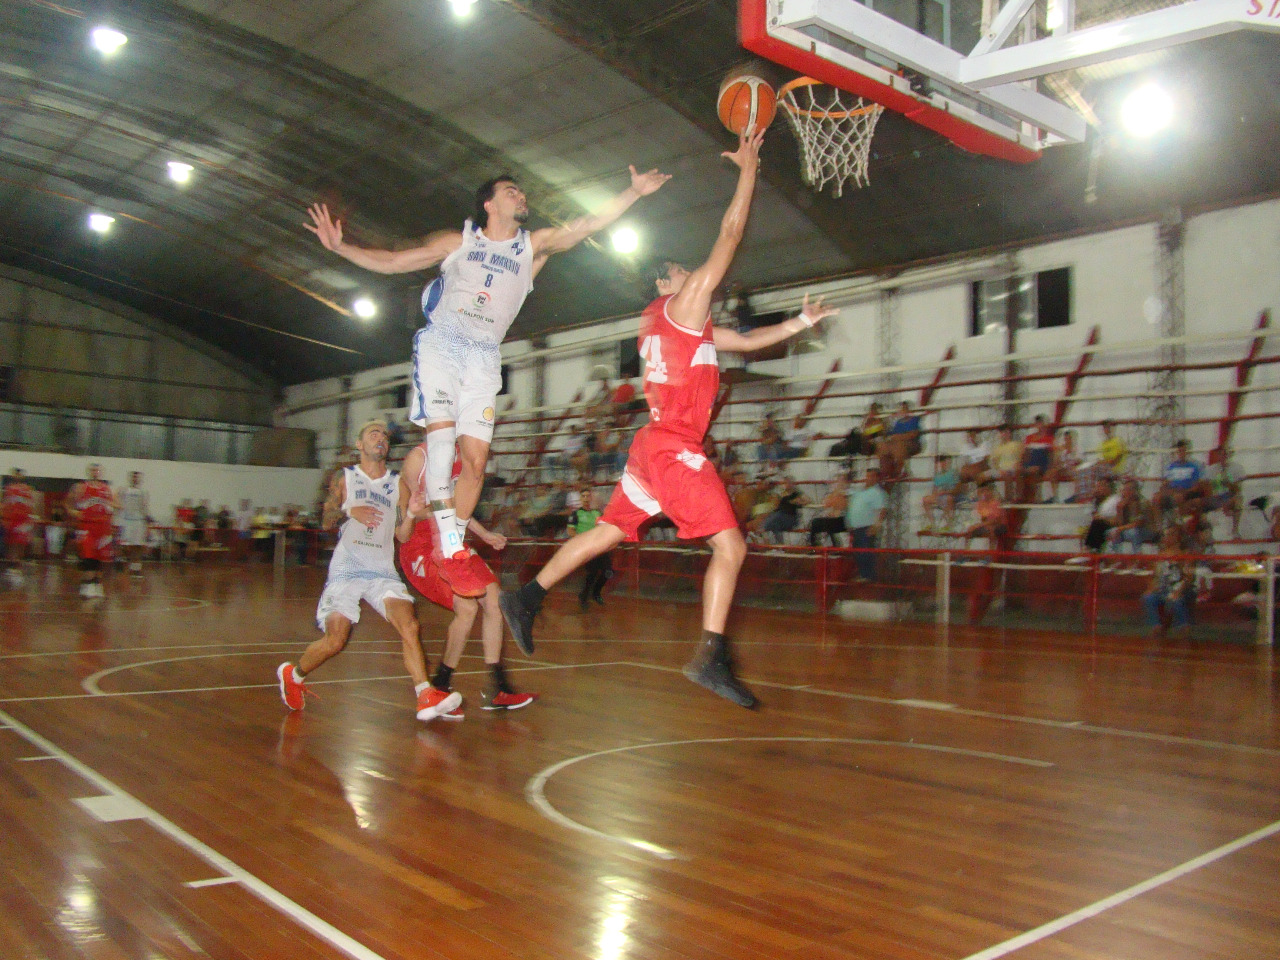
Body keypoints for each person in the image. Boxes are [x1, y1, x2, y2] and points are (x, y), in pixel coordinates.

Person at [499, 132, 836, 709]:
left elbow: (750, 341)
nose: (691, 275)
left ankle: (527, 595)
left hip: (649, 449)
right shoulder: (685, 307)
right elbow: (730, 235)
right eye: (682, 272)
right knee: (731, 549)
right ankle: (711, 654)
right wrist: (749, 171)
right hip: (675, 447)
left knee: (606, 531)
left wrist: (801, 324)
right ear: (677, 285)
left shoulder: (667, 321)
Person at [307, 164, 670, 598]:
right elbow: (392, 261)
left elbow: (584, 226)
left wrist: (632, 193)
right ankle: (452, 544)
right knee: (441, 442)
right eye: (511, 191)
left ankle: (451, 543)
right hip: (444, 344)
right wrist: (340, 246)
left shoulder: (531, 247)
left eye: (520, 192)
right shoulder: (459, 241)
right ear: (488, 203)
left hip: (483, 356)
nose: (521, 197)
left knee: (476, 462)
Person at [277, 421, 461, 723]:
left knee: (409, 625)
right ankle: (293, 674)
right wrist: (351, 511)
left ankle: (424, 694)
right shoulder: (346, 478)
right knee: (336, 640)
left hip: (381, 569)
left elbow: (402, 535)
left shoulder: (398, 482)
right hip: (347, 567)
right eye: (373, 434)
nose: (381, 439)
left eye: (385, 436)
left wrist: (412, 513)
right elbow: (325, 520)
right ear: (359, 445)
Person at [398, 439, 535, 714]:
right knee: (468, 607)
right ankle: (440, 687)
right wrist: (436, 509)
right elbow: (404, 526)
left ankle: (499, 688)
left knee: (495, 598)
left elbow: (458, 509)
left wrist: (484, 534)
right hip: (420, 547)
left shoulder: (467, 458)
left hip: (450, 541)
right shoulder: (419, 458)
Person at [67, 464, 117, 599]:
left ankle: (96, 584)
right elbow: (68, 504)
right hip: (87, 526)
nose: (96, 472)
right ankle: (88, 584)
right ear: (89, 471)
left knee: (101, 557)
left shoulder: (107, 489)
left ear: (101, 472)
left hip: (103, 527)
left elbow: (113, 506)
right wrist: (73, 512)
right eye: (93, 470)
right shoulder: (81, 487)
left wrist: (116, 511)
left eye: (98, 470)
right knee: (88, 555)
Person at [1142, 526, 1194, 640]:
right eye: (1165, 535)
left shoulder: (1184, 554)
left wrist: (1179, 591)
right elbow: (1153, 574)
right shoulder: (1160, 555)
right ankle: (1156, 626)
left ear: (1177, 537)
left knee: (1176, 600)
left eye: (1170, 535)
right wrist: (1151, 586)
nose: (1166, 538)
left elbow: (1188, 577)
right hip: (1162, 588)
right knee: (1148, 597)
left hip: (1178, 589)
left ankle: (1183, 626)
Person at [567, 489, 613, 610]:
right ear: (581, 499)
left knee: (608, 572)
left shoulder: (597, 513)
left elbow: (603, 528)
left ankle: (596, 593)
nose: (586, 498)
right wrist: (582, 540)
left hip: (599, 546)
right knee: (591, 574)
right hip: (587, 547)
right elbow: (570, 530)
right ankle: (584, 596)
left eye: (588, 496)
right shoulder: (575, 514)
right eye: (584, 496)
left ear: (591, 498)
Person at [845, 467, 887, 581]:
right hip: (857, 527)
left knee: (865, 552)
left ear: (877, 478)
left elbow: (882, 510)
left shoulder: (877, 493)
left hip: (867, 527)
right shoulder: (860, 491)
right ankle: (864, 574)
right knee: (858, 552)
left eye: (872, 476)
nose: (869, 478)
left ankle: (868, 576)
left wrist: (876, 526)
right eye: (868, 476)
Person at [2, 468, 41, 587]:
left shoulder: (28, 490)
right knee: (11, 545)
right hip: (11, 520)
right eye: (16, 474)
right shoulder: (8, 489)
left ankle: (17, 569)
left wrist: (32, 518)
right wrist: (4, 518)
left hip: (23, 521)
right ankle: (11, 568)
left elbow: (32, 506)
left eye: (19, 474)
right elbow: (4, 504)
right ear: (13, 475)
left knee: (21, 545)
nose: (17, 476)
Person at [1154, 439, 1210, 517]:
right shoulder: (1171, 467)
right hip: (1173, 491)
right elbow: (1166, 483)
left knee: (1179, 497)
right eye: (1179, 451)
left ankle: (1180, 521)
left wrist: (1185, 491)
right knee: (1156, 497)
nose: (1181, 453)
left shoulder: (1193, 466)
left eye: (1183, 451)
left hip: (1186, 491)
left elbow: (1196, 486)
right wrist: (1167, 490)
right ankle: (1159, 525)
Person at [1206, 446, 1244, 539]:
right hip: (1216, 497)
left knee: (1238, 500)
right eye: (1221, 454)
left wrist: (1227, 482)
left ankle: (1235, 531)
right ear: (1217, 456)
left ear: (1230, 455)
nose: (1223, 457)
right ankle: (1207, 533)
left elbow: (1238, 489)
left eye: (1225, 454)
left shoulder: (1237, 468)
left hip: (1230, 496)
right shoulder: (1211, 469)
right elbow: (1208, 488)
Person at [118, 471, 149, 576]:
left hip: (139, 521)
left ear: (140, 479)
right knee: (125, 545)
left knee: (138, 545)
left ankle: (136, 568)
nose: (135, 479)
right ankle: (123, 562)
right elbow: (118, 503)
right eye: (133, 477)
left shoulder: (143, 492)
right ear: (130, 478)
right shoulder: (124, 490)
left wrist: (146, 523)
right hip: (127, 521)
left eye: (137, 477)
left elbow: (145, 507)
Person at [808, 472, 849, 546]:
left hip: (844, 520)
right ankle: (815, 544)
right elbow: (827, 503)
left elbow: (840, 506)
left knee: (823, 523)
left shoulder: (847, 493)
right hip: (835, 519)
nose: (838, 483)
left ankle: (833, 545)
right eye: (837, 481)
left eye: (840, 481)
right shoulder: (833, 493)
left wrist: (835, 499)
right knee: (817, 522)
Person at [921, 454, 960, 531]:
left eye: (945, 462)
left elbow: (957, 489)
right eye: (941, 462)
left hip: (951, 495)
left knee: (948, 499)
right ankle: (932, 524)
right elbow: (935, 490)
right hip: (940, 496)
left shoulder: (954, 473)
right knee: (926, 499)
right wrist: (934, 495)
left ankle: (949, 523)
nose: (943, 464)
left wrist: (945, 492)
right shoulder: (937, 475)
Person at [1021, 415, 1054, 502]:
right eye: (1038, 423)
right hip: (1031, 463)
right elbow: (1026, 454)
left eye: (1041, 423)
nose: (1040, 426)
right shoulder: (1029, 438)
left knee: (1035, 469)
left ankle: (1037, 497)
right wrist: (1024, 465)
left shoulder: (1049, 438)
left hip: (1042, 463)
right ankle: (1025, 497)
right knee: (1024, 471)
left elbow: (1051, 455)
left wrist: (1049, 468)